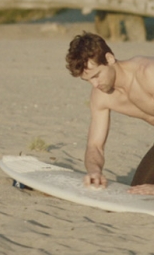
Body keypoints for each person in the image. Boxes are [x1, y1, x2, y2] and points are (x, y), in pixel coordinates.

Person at [66, 31, 154, 195]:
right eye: (88, 80)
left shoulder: (147, 72)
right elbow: (95, 146)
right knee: (137, 191)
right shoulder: (101, 97)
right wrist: (94, 170)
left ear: (109, 59)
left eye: (97, 75)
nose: (95, 84)